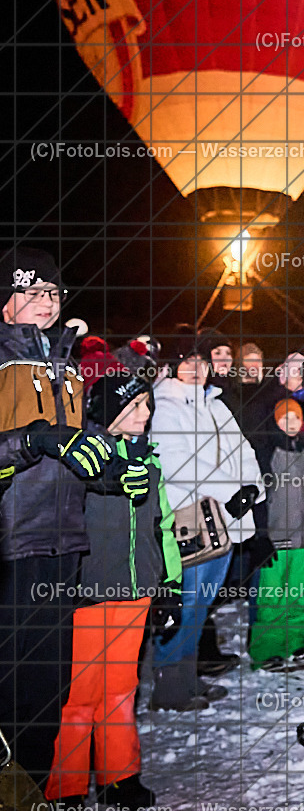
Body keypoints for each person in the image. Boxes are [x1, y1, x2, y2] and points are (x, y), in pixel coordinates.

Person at [0, 247, 129, 787]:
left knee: (47, 690)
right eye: (30, 292)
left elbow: (80, 451)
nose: (44, 302)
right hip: (10, 546)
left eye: (52, 292)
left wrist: (115, 473)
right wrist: (31, 440)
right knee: (10, 691)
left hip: (64, 544)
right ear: (6, 304)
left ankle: (30, 790)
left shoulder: (68, 367)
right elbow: (32, 448)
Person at [46, 341, 182, 810]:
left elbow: (162, 525)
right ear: (112, 409)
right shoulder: (82, 462)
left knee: (121, 692)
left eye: (146, 404)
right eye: (137, 403)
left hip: (135, 592)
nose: (146, 412)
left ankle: (119, 777)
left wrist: (169, 584)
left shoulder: (149, 458)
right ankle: (65, 787)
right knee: (78, 697)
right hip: (89, 594)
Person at [149, 327, 265, 711]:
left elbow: (242, 448)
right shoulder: (166, 405)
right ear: (173, 364)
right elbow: (179, 464)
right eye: (187, 360)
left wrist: (251, 487)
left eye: (200, 360)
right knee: (187, 602)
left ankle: (188, 676)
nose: (196, 367)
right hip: (192, 520)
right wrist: (231, 494)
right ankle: (170, 685)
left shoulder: (214, 403)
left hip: (224, 518)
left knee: (203, 603)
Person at [248, 398, 304, 670]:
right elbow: (258, 495)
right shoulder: (266, 452)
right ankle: (267, 651)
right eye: (285, 418)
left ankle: (295, 644)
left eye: (296, 418)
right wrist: (261, 535)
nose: (291, 423)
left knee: (299, 595)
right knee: (271, 597)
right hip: (277, 538)